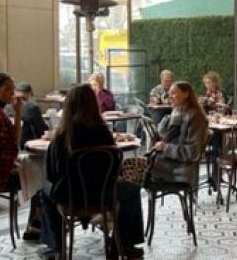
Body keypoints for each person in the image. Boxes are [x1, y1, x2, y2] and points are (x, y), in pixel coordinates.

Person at [38, 84, 145, 259]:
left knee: (45, 191)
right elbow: (114, 169)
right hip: (103, 194)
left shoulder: (63, 136)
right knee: (132, 191)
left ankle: (56, 246)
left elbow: (53, 173)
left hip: (71, 196)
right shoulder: (103, 132)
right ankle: (125, 244)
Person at [147, 81, 209, 185]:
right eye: (169, 93)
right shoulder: (177, 112)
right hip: (169, 162)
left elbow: (192, 152)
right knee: (132, 169)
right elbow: (164, 135)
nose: (170, 97)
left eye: (174, 93)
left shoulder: (195, 117)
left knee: (136, 170)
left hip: (181, 169)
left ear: (186, 94)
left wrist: (165, 147)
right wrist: (169, 119)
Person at [15, 81, 49, 147]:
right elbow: (42, 129)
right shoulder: (32, 107)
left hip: (11, 143)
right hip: (26, 144)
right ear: (30, 93)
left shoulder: (7, 106)